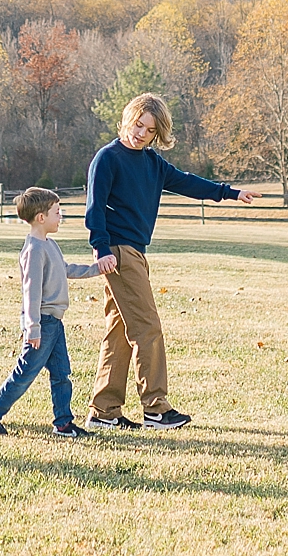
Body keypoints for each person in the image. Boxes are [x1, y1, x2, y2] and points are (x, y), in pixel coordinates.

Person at [84, 93, 256, 430]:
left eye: (149, 130)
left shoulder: (152, 164)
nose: (141, 133)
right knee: (148, 328)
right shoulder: (108, 158)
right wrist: (100, 247)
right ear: (128, 119)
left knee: (120, 332)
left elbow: (189, 183)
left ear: (157, 134)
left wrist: (230, 192)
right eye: (138, 124)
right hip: (118, 253)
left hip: (136, 253)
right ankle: (155, 408)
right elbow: (95, 207)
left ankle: (103, 412)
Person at [0, 186, 101, 438]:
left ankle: (63, 423)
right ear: (41, 218)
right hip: (42, 323)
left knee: (62, 373)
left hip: (54, 322)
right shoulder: (33, 250)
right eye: (57, 212)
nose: (60, 216)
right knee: (24, 374)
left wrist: (97, 269)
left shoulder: (49, 244)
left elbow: (65, 269)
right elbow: (30, 293)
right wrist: (32, 328)